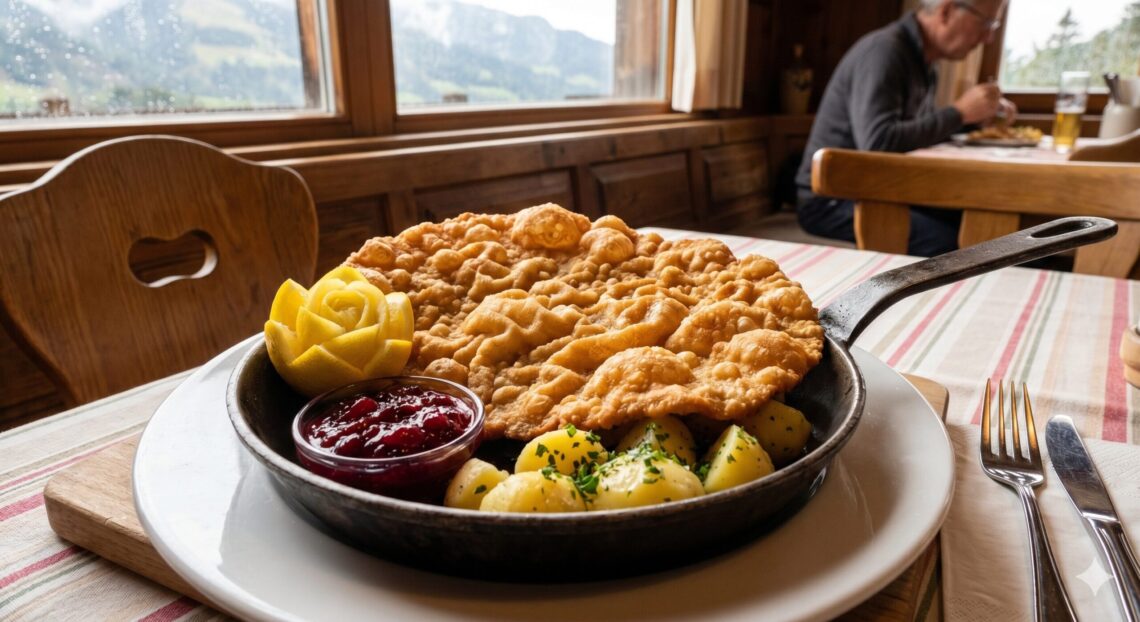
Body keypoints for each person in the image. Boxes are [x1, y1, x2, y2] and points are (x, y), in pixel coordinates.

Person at [794, 0, 1015, 256]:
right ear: (945, 11)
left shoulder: (924, 62)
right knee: (951, 243)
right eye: (986, 23)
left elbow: (917, 134)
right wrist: (959, 113)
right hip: (829, 200)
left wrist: (973, 119)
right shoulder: (884, 51)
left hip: (877, 189)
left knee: (976, 223)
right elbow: (878, 143)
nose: (988, 37)